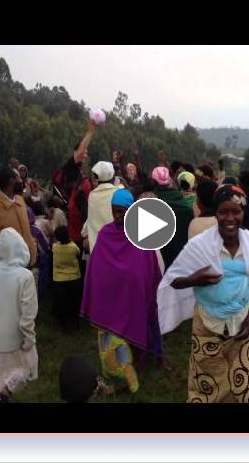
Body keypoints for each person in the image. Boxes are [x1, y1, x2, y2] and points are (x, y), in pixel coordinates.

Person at [157, 185, 249, 403]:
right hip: (207, 324)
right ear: (216, 213)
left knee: (245, 389)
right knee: (207, 387)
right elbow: (172, 281)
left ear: (243, 214)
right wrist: (195, 280)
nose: (230, 218)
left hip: (243, 323)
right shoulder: (199, 245)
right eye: (223, 212)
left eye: (236, 211)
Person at [80, 189, 163, 393]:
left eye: (122, 212)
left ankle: (136, 365)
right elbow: (97, 266)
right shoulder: (106, 233)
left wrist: (141, 282)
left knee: (134, 328)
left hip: (133, 294)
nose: (117, 217)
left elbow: (149, 265)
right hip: (111, 297)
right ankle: (119, 374)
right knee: (112, 339)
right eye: (114, 212)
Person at [0, 227, 38, 403]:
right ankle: (7, 391)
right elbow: (28, 313)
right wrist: (29, 339)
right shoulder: (25, 276)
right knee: (27, 367)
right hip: (18, 339)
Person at [52, 128, 94, 246]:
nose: (85, 155)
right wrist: (90, 131)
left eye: (86, 153)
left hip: (76, 212)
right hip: (66, 213)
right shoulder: (70, 167)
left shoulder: (81, 171)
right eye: (83, 152)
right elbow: (80, 152)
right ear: (76, 152)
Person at [152, 166, 194, 269]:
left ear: (153, 182)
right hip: (180, 260)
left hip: (158, 259)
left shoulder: (150, 201)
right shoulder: (182, 200)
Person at [82, 161, 117, 253]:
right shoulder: (118, 193)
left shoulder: (92, 195)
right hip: (115, 245)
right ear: (112, 176)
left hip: (97, 248)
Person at [52, 225, 83, 330]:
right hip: (74, 278)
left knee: (62, 303)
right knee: (74, 301)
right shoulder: (73, 247)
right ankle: (75, 322)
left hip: (59, 280)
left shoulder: (54, 247)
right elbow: (78, 252)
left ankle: (63, 323)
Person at [27, 207, 50, 298]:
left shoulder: (18, 228)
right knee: (42, 275)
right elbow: (44, 244)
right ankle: (40, 294)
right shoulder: (35, 229)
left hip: (24, 259)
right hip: (37, 258)